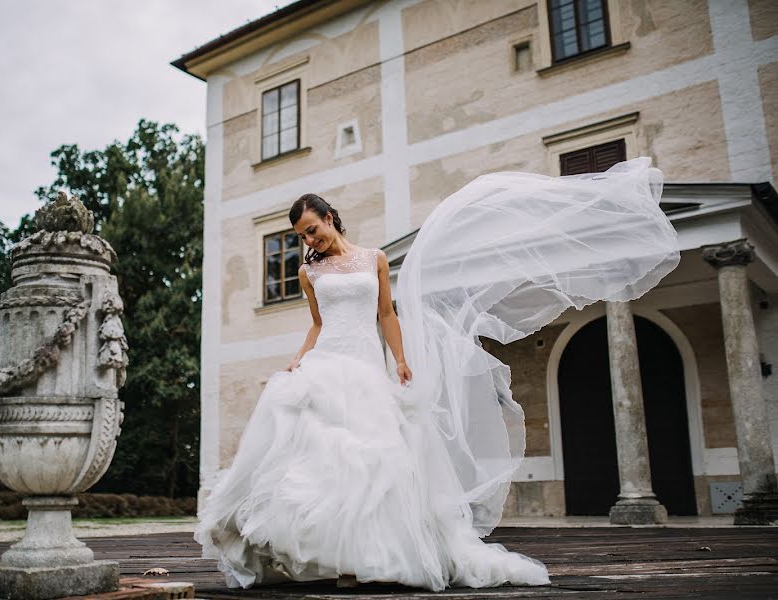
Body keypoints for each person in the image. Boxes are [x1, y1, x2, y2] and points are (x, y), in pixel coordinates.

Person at [194, 157, 679, 591]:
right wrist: (300, 357)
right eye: (301, 236)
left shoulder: (375, 260)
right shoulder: (308, 273)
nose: (309, 240)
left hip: (366, 362)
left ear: (329, 218)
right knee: (320, 451)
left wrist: (402, 359)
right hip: (327, 361)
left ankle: (365, 556)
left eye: (311, 229)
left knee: (375, 454)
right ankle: (323, 556)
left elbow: (387, 315)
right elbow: (318, 324)